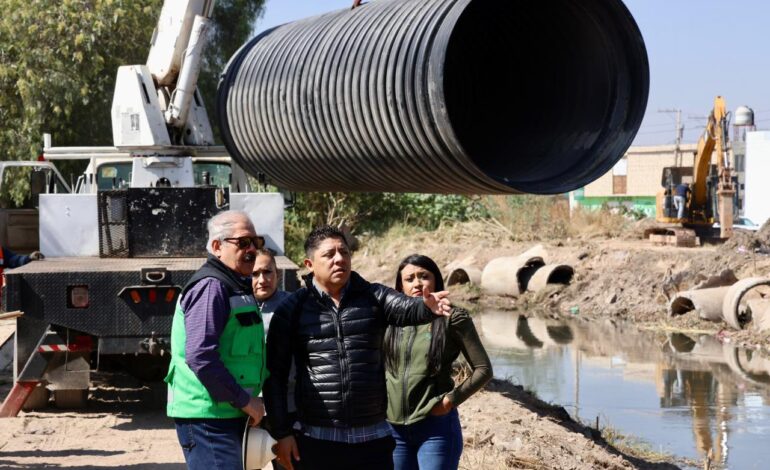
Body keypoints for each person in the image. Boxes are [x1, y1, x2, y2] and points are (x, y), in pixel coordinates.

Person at [264, 225, 452, 470]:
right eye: (329, 254)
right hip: (317, 439)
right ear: (309, 264)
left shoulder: (373, 296)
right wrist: (282, 432)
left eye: (344, 252)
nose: (339, 259)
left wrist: (426, 308)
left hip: (371, 439)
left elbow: (404, 307)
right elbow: (274, 376)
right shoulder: (292, 308)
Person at [165, 210, 267, 470]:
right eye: (243, 242)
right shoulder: (212, 287)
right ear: (216, 247)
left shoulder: (235, 285)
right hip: (208, 420)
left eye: (256, 242)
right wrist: (245, 401)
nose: (252, 249)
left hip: (227, 414)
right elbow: (201, 356)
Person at [384, 255, 493, 470]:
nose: (417, 283)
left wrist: (449, 401)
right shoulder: (389, 320)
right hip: (393, 431)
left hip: (435, 429)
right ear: (400, 285)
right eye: (409, 278)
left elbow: (483, 369)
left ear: (436, 281)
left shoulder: (452, 317)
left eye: (424, 276)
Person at [252, 247, 295, 470]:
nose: (262, 279)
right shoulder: (235, 307)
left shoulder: (292, 306)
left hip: (287, 405)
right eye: (254, 273)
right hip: (248, 407)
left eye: (267, 272)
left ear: (277, 274)